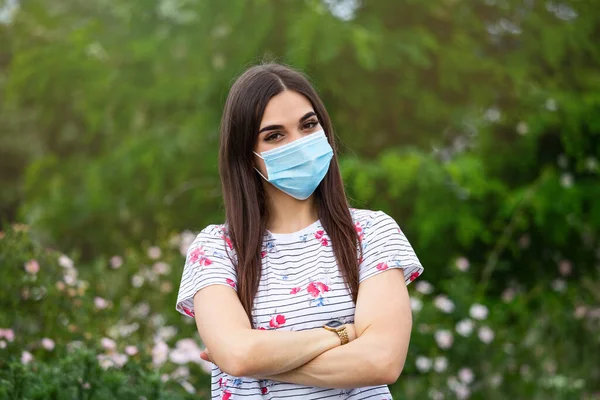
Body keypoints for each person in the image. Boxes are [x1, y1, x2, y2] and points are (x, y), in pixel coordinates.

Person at [175, 63, 424, 399]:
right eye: (274, 135)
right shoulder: (216, 249)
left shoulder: (371, 232)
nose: (299, 143)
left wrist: (257, 362)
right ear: (247, 156)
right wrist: (342, 335)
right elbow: (238, 354)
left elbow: (382, 361)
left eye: (308, 126)